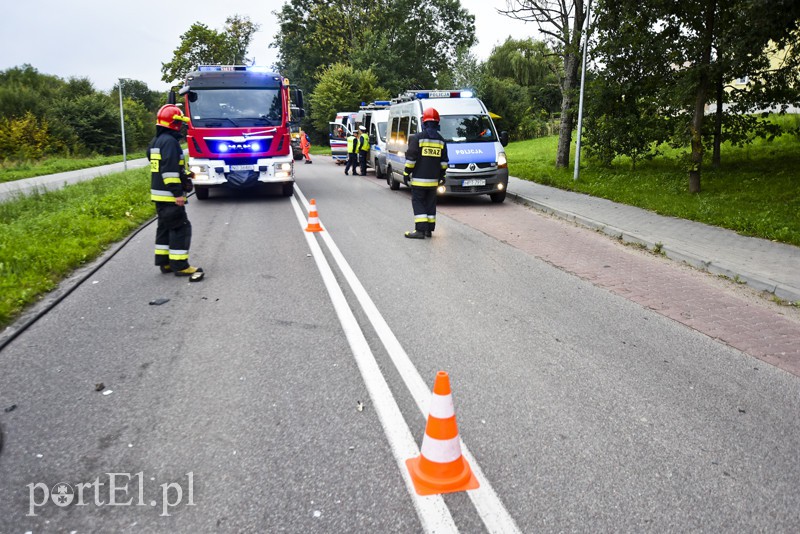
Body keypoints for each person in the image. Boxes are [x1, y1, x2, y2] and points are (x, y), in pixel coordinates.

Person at [147, 104, 204, 281]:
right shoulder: (171, 142)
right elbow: (170, 171)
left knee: (164, 227)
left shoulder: (156, 141)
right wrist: (177, 193)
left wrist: (184, 174)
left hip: (158, 194)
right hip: (169, 195)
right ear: (174, 123)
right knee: (180, 227)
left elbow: (159, 163)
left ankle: (164, 262)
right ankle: (180, 265)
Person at [403, 107, 448, 239]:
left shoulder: (418, 138)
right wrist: (442, 176)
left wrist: (406, 173)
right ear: (437, 123)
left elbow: (411, 158)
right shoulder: (441, 140)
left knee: (418, 202)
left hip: (419, 180)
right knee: (430, 203)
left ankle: (420, 231)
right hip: (433, 181)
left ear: (424, 122)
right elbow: (444, 162)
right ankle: (428, 230)